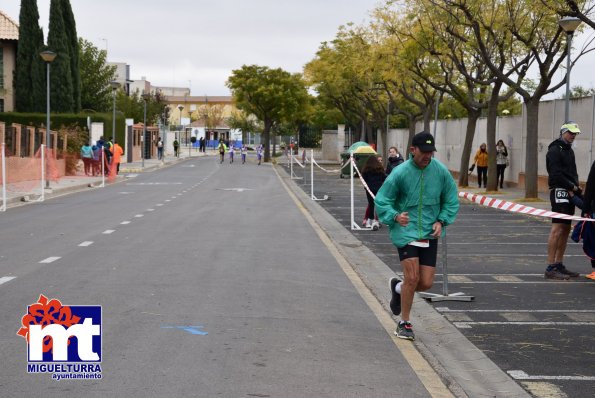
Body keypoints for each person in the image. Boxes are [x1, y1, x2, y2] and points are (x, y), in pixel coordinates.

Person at [375, 131, 459, 341]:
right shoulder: (400, 172)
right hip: (406, 230)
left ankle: (398, 288)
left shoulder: (440, 171)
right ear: (413, 150)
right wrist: (394, 216)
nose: (427, 156)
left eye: (431, 152)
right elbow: (382, 199)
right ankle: (404, 323)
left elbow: (451, 198)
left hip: (429, 232)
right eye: (424, 152)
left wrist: (442, 220)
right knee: (412, 277)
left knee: (425, 283)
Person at [545, 122, 582, 280]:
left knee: (566, 229)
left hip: (571, 192)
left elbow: (572, 172)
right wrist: (571, 187)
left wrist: (576, 187)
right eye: (571, 132)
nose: (573, 135)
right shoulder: (554, 149)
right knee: (557, 229)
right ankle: (550, 266)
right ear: (563, 132)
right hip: (559, 191)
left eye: (575, 133)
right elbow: (555, 175)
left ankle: (559, 263)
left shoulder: (569, 150)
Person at [361, 156, 386, 230]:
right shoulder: (380, 169)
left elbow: (364, 179)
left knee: (371, 204)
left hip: (369, 189)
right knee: (378, 204)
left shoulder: (366, 170)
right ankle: (376, 220)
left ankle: (369, 220)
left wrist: (366, 186)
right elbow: (383, 178)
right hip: (378, 188)